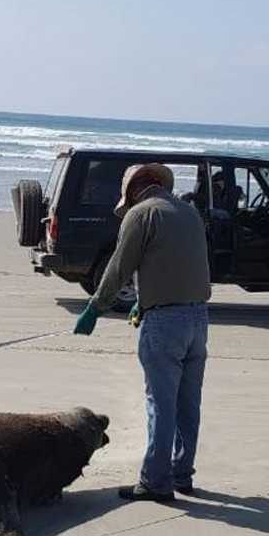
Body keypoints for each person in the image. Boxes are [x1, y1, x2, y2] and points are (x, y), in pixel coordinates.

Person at [74, 164, 211, 502]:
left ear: (133, 191)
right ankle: (182, 474)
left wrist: (95, 308)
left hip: (165, 323)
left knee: (160, 404)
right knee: (188, 404)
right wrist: (144, 300)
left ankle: (155, 482)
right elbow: (182, 264)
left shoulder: (141, 215)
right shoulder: (188, 212)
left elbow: (119, 267)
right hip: (198, 318)